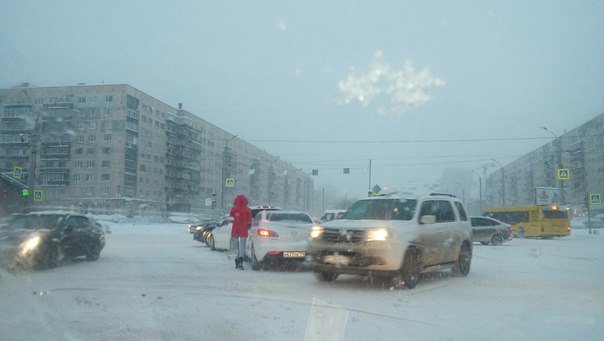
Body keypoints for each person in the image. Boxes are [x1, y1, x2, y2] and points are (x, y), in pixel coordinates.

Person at [230, 194, 252, 270]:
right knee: (242, 246)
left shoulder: (234, 208)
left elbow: (231, 216)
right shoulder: (248, 209)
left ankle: (237, 259)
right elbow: (249, 220)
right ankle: (240, 261)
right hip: (243, 229)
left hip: (236, 229)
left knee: (236, 246)